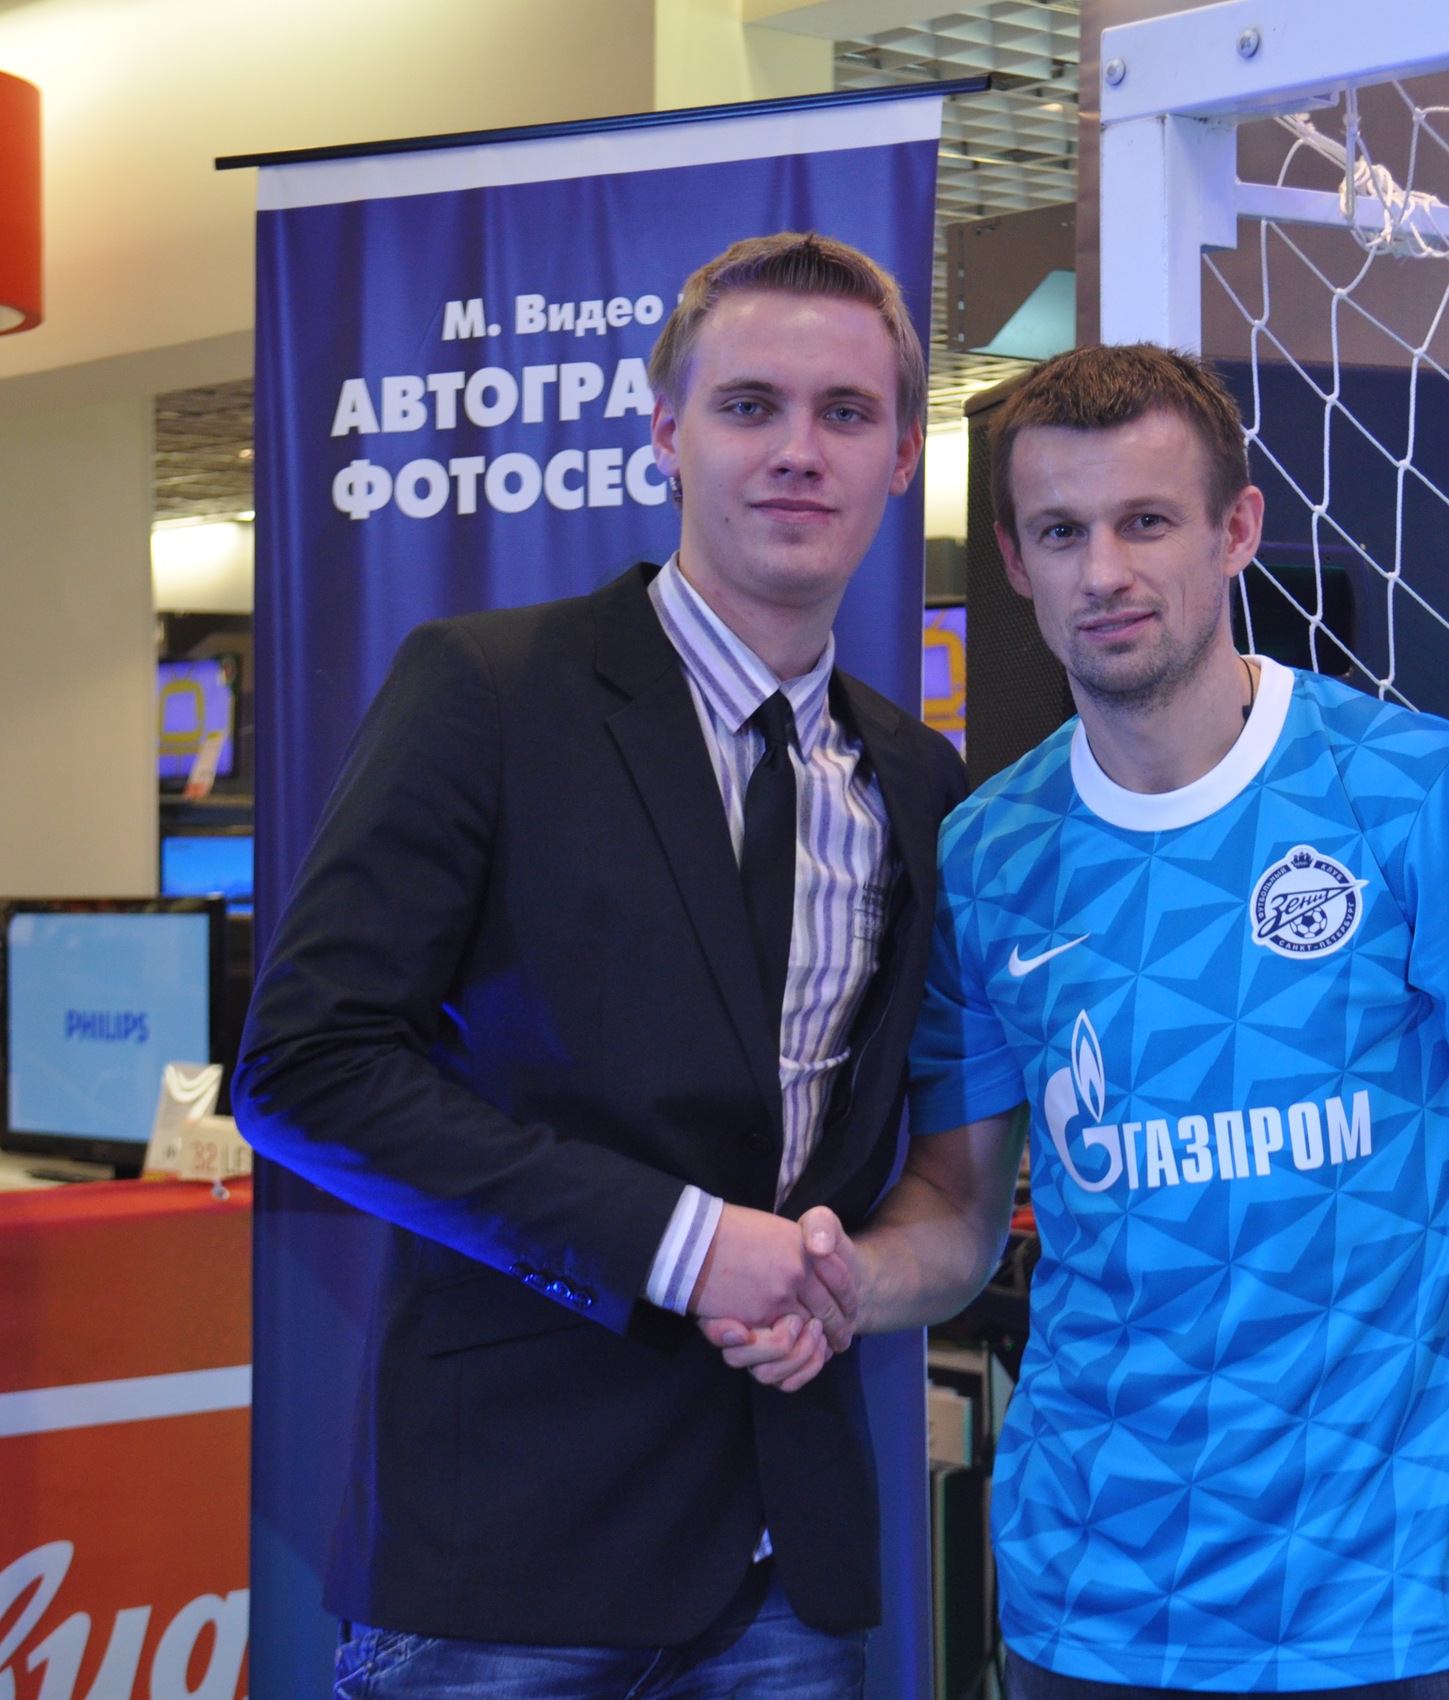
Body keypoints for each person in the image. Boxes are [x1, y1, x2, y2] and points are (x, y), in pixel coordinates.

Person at [713, 344, 1449, 1700]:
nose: (1104, 571)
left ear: (1236, 531)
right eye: (1063, 532)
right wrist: (847, 1286)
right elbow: (960, 1210)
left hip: (1403, 1602)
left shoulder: (1420, 797)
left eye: (1146, 522)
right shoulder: (988, 855)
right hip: (1096, 1606)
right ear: (1016, 561)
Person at [235, 230, 967, 1700]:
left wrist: (839, 1277)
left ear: (900, 457)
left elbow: (898, 1165)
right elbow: (306, 1068)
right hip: (509, 1557)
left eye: (846, 413)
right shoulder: (490, 689)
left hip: (790, 1564)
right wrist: (682, 1243)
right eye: (750, 406)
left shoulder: (916, 780)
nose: (799, 451)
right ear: (665, 435)